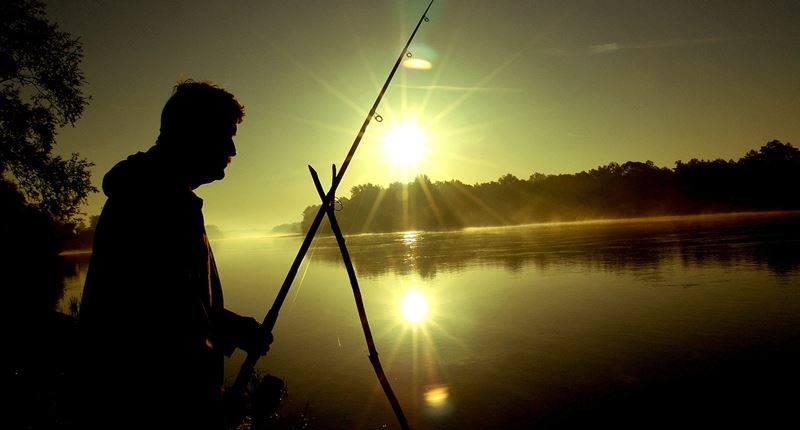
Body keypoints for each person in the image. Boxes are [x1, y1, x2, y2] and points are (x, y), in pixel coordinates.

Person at [77, 80, 271, 429]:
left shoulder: (159, 193)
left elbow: (177, 301)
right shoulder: (155, 203)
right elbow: (160, 333)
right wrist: (204, 407)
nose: (232, 149)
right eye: (225, 135)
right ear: (194, 133)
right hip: (150, 408)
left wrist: (236, 328)